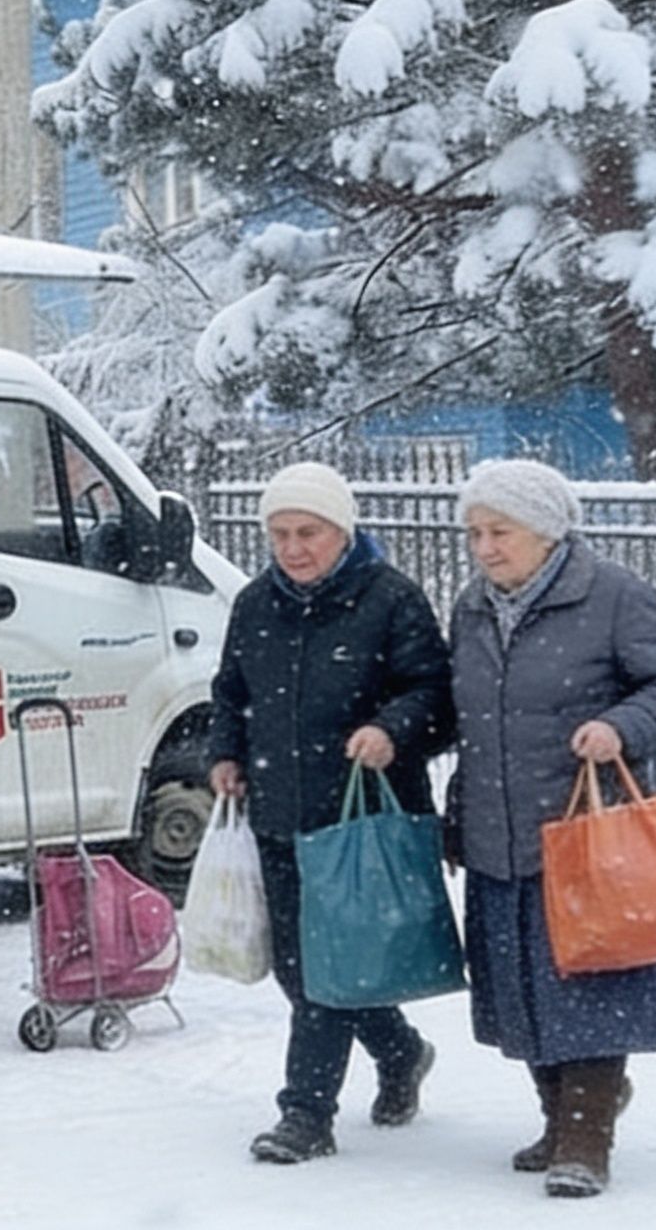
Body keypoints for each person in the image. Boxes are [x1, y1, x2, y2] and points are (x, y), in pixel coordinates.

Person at [206, 461, 452, 1165]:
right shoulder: (256, 603)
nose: (292, 547)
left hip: (360, 822)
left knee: (325, 970)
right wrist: (225, 752)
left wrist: (391, 729)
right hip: (278, 815)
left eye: (306, 531)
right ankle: (402, 1051)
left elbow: (433, 694)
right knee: (300, 970)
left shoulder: (391, 600)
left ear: (341, 531)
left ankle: (306, 1115)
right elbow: (231, 693)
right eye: (279, 533)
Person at [448, 459, 656, 1198]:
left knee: (588, 988)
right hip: (498, 825)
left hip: (588, 831)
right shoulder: (472, 606)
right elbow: (471, 718)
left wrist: (621, 725)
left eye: (500, 531)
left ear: (547, 532)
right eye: (475, 532)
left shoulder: (613, 596)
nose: (484, 547)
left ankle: (586, 1136)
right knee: (519, 991)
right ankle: (561, 1115)